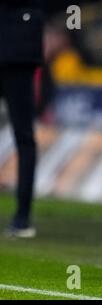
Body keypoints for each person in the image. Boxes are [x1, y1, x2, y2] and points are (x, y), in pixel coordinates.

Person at [0, 1, 45, 238]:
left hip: (19, 54)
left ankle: (22, 217)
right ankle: (22, 218)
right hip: (21, 51)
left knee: (24, 137)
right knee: (25, 138)